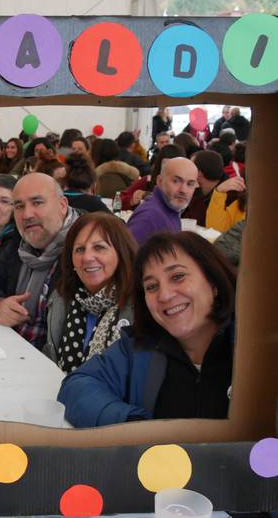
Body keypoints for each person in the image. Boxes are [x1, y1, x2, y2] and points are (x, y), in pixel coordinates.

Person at [58, 232, 236, 427]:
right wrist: (133, 422)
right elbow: (77, 386)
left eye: (178, 277)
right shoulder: (139, 349)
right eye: (151, 286)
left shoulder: (254, 352)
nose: (165, 295)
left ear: (213, 281)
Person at [0, 173, 81, 349]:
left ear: (62, 205)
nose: (27, 214)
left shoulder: (85, 249)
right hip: (9, 349)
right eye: (19, 206)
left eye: (37, 202)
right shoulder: (21, 242)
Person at [45, 212, 137, 371]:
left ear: (121, 253)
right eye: (80, 249)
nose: (87, 257)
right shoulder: (61, 299)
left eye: (99, 247)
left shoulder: (139, 307)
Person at [126, 157, 198, 246]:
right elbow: (127, 252)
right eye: (176, 181)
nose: (183, 190)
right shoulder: (150, 217)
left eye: (190, 184)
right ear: (160, 181)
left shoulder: (169, 210)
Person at [120, 144, 185, 211]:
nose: (168, 171)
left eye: (173, 167)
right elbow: (119, 200)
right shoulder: (148, 180)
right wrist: (131, 200)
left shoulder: (186, 188)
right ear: (159, 166)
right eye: (165, 166)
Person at [182, 150, 226, 227]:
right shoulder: (197, 191)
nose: (186, 170)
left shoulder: (225, 197)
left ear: (199, 173)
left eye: (190, 167)